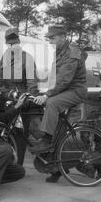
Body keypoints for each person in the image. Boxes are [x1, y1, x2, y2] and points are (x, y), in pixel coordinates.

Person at [31, 25, 88, 155]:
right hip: (66, 90)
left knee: (52, 103)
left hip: (76, 90)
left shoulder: (71, 53)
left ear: (63, 37)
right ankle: (54, 141)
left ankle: (47, 139)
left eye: (52, 38)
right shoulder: (60, 51)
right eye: (49, 39)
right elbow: (56, 79)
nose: (50, 42)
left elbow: (64, 80)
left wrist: (47, 95)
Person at [0, 28, 43, 163]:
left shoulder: (26, 58)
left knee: (20, 134)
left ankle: (19, 164)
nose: (12, 47)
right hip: (8, 101)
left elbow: (32, 83)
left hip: (23, 101)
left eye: (15, 44)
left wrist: (27, 99)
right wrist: (7, 94)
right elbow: (1, 82)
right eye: (10, 44)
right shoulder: (4, 59)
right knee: (4, 132)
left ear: (19, 43)